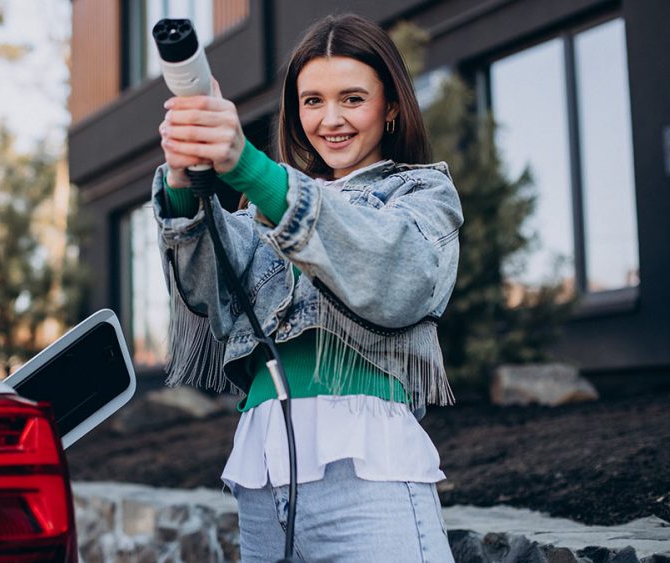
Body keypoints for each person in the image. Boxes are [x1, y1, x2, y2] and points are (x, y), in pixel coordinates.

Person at [152, 13, 461, 563]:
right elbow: (209, 295)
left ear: (390, 106)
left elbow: (396, 276)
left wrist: (248, 168)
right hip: (262, 474)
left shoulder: (421, 194)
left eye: (352, 98)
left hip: (368, 470)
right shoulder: (259, 212)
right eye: (312, 100)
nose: (330, 119)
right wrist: (182, 182)